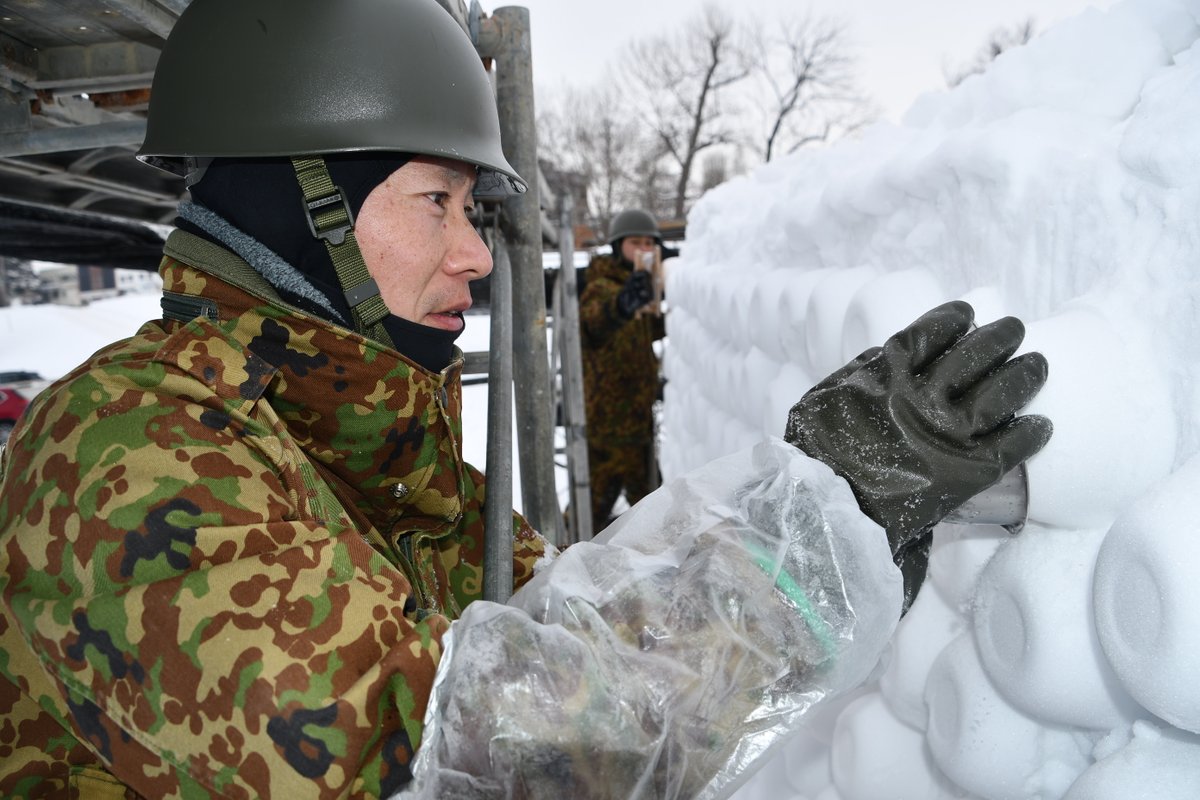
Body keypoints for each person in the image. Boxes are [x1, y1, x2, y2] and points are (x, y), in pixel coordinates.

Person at [0, 0, 1053, 797]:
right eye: (437, 203)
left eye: (473, 208)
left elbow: (577, 629)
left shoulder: (367, 452)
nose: (472, 253)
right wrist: (818, 531)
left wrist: (821, 536)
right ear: (300, 206)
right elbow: (450, 749)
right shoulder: (126, 452)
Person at [578, 209, 667, 528]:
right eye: (636, 242)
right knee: (591, 508)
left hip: (637, 420)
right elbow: (597, 321)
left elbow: (649, 335)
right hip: (608, 426)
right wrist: (624, 304)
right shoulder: (602, 284)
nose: (644, 249)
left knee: (652, 502)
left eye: (649, 243)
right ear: (618, 246)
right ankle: (560, 563)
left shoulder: (644, 286)